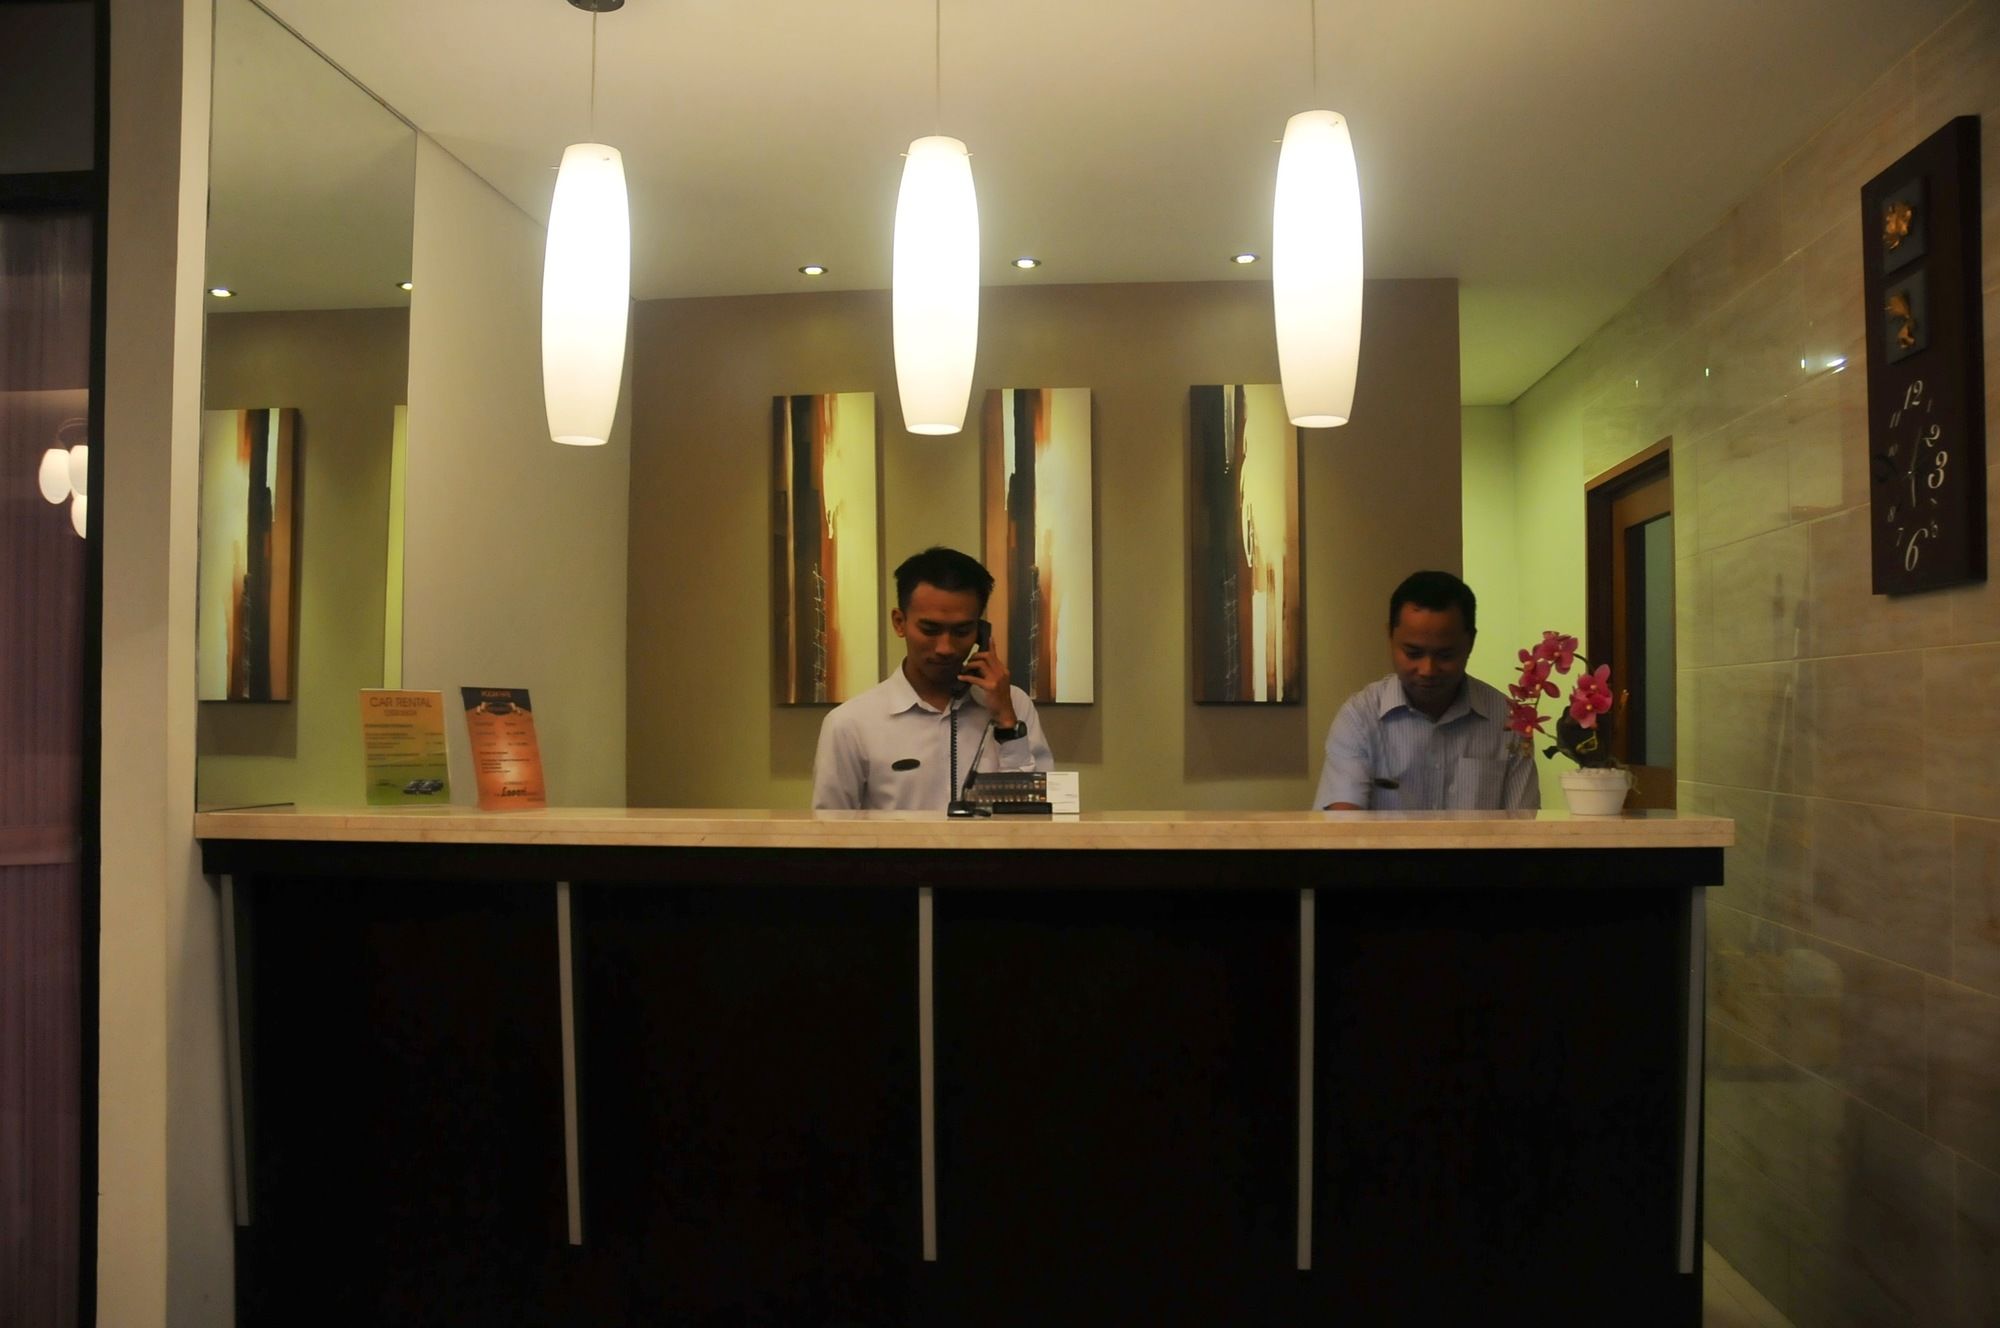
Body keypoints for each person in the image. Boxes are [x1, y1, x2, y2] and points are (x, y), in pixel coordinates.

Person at [812, 546, 1054, 810]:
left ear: (980, 632)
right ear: (900, 623)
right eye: (930, 630)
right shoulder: (850, 724)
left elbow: (1039, 818)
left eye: (962, 631)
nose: (945, 648)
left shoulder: (1014, 705)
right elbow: (828, 829)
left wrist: (1008, 725)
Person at [1313, 570, 1539, 812]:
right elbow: (1342, 827)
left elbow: (1523, 827)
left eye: (1445, 655)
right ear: (1390, 637)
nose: (1428, 670)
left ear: (1471, 642)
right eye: (1413, 653)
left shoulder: (1508, 720)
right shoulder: (1359, 718)